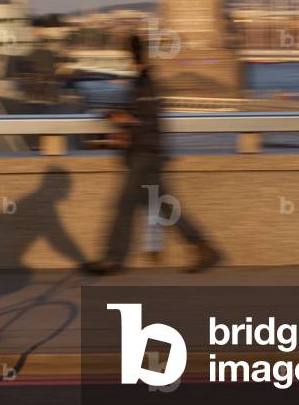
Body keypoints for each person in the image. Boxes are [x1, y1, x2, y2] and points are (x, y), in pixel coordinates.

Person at [83, 33, 221, 275]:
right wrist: (121, 115)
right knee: (163, 204)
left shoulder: (144, 83)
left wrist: (118, 117)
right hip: (149, 151)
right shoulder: (144, 81)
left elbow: (143, 120)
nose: (126, 61)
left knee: (124, 204)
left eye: (127, 56)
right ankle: (201, 246)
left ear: (132, 55)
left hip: (144, 153)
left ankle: (112, 258)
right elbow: (143, 114)